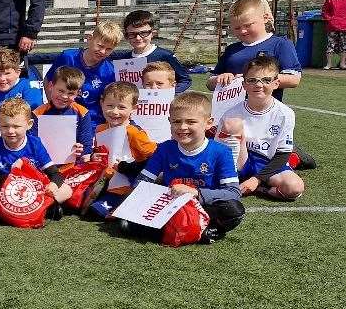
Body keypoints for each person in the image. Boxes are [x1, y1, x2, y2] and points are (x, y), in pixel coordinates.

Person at [136, 92, 245, 243]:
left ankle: (197, 230)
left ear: (209, 122)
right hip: (170, 206)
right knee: (126, 224)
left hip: (204, 206)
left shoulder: (221, 152)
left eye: (191, 122)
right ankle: (197, 234)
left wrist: (195, 193)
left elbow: (233, 192)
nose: (182, 127)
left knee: (234, 210)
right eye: (176, 121)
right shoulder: (164, 148)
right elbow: (142, 181)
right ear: (169, 121)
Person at [217, 57, 305, 201]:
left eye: (266, 80)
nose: (258, 84)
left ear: (276, 83)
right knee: (232, 124)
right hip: (240, 158)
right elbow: (220, 148)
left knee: (294, 187)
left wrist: (256, 180)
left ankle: (261, 188)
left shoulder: (285, 113)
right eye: (252, 80)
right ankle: (236, 178)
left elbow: (283, 154)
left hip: (267, 162)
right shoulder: (231, 113)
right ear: (244, 84)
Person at [0, 97, 69, 216]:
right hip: (10, 191)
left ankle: (3, 212)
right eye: (5, 126)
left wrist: (52, 185)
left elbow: (55, 174)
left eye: (16, 126)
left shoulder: (35, 144)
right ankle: (45, 210)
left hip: (36, 190)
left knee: (66, 189)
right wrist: (15, 175)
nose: (11, 131)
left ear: (29, 124)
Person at [85, 82, 159, 218]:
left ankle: (128, 206)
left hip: (123, 187)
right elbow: (100, 152)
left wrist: (130, 167)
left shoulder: (134, 132)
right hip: (103, 182)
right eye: (110, 106)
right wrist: (94, 157)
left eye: (121, 107)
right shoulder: (100, 129)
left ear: (133, 108)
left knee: (94, 213)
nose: (115, 112)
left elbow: (155, 156)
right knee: (78, 203)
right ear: (101, 104)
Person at [208, 0, 301, 102]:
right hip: (232, 114)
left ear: (265, 18)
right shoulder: (231, 50)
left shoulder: (280, 44)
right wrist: (220, 79)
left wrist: (254, 79)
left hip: (264, 114)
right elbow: (210, 83)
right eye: (237, 28)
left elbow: (293, 79)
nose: (243, 31)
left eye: (248, 25)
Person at [45, 21, 124, 125]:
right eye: (100, 46)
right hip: (62, 116)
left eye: (109, 49)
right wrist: (54, 107)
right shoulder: (68, 57)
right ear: (89, 38)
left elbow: (107, 100)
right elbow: (48, 81)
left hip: (92, 121)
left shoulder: (110, 71)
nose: (103, 51)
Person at [0, 47, 44, 144]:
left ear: (18, 72)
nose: (2, 78)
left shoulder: (29, 89)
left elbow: (36, 117)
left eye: (7, 73)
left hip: (27, 142)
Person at [114, 10, 191, 93]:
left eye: (144, 33)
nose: (138, 38)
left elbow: (185, 80)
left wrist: (168, 93)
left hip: (159, 103)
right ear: (126, 36)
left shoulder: (165, 55)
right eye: (132, 34)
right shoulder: (122, 59)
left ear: (152, 33)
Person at [32, 66, 94, 160]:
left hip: (73, 164)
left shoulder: (83, 113)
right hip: (44, 163)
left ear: (78, 93)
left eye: (71, 93)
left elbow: (86, 147)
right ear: (50, 86)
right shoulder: (38, 113)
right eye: (61, 91)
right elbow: (32, 143)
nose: (64, 96)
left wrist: (80, 150)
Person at [322, 0, 346, 69]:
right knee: (330, 45)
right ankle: (329, 64)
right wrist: (330, 19)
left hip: (344, 26)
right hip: (332, 26)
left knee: (344, 45)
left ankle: (342, 64)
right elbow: (324, 11)